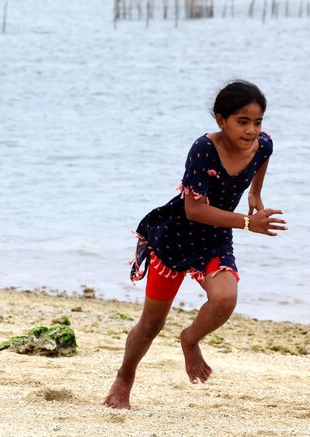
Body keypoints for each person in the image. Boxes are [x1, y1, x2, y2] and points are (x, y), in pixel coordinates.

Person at [104, 80, 288, 410]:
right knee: (151, 324)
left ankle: (189, 339)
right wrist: (247, 223)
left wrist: (255, 194)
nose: (251, 131)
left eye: (257, 122)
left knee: (225, 298)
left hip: (214, 239)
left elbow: (263, 157)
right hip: (175, 237)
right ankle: (124, 380)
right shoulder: (204, 149)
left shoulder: (263, 145)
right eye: (242, 122)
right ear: (221, 121)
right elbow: (195, 209)